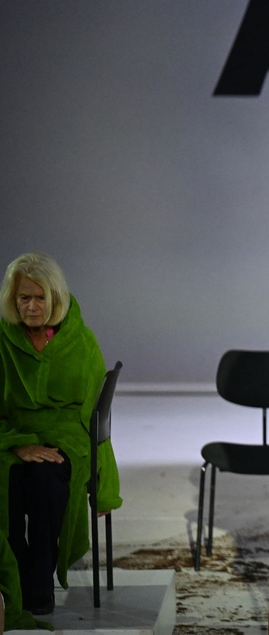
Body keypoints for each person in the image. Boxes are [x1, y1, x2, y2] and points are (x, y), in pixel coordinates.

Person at [0, 253, 121, 625]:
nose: (32, 306)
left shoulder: (79, 340)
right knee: (6, 481)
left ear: (55, 298)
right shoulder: (2, 339)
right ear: (12, 300)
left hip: (67, 440)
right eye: (24, 298)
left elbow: (95, 419)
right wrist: (18, 444)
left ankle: (38, 587)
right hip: (12, 436)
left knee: (46, 480)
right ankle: (13, 583)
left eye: (40, 297)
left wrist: (104, 488)